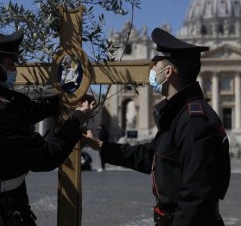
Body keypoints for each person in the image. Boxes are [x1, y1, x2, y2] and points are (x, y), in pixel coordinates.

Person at [84, 28, 231, 226]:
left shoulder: (195, 121)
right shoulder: (178, 115)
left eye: (155, 65)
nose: (151, 70)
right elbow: (150, 156)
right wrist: (101, 146)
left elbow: (196, 198)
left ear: (168, 72)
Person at [0, 30, 95, 226]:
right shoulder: (1, 112)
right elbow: (46, 157)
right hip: (2, 218)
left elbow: (26, 109)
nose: (15, 70)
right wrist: (76, 121)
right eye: (10, 64)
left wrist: (65, 97)